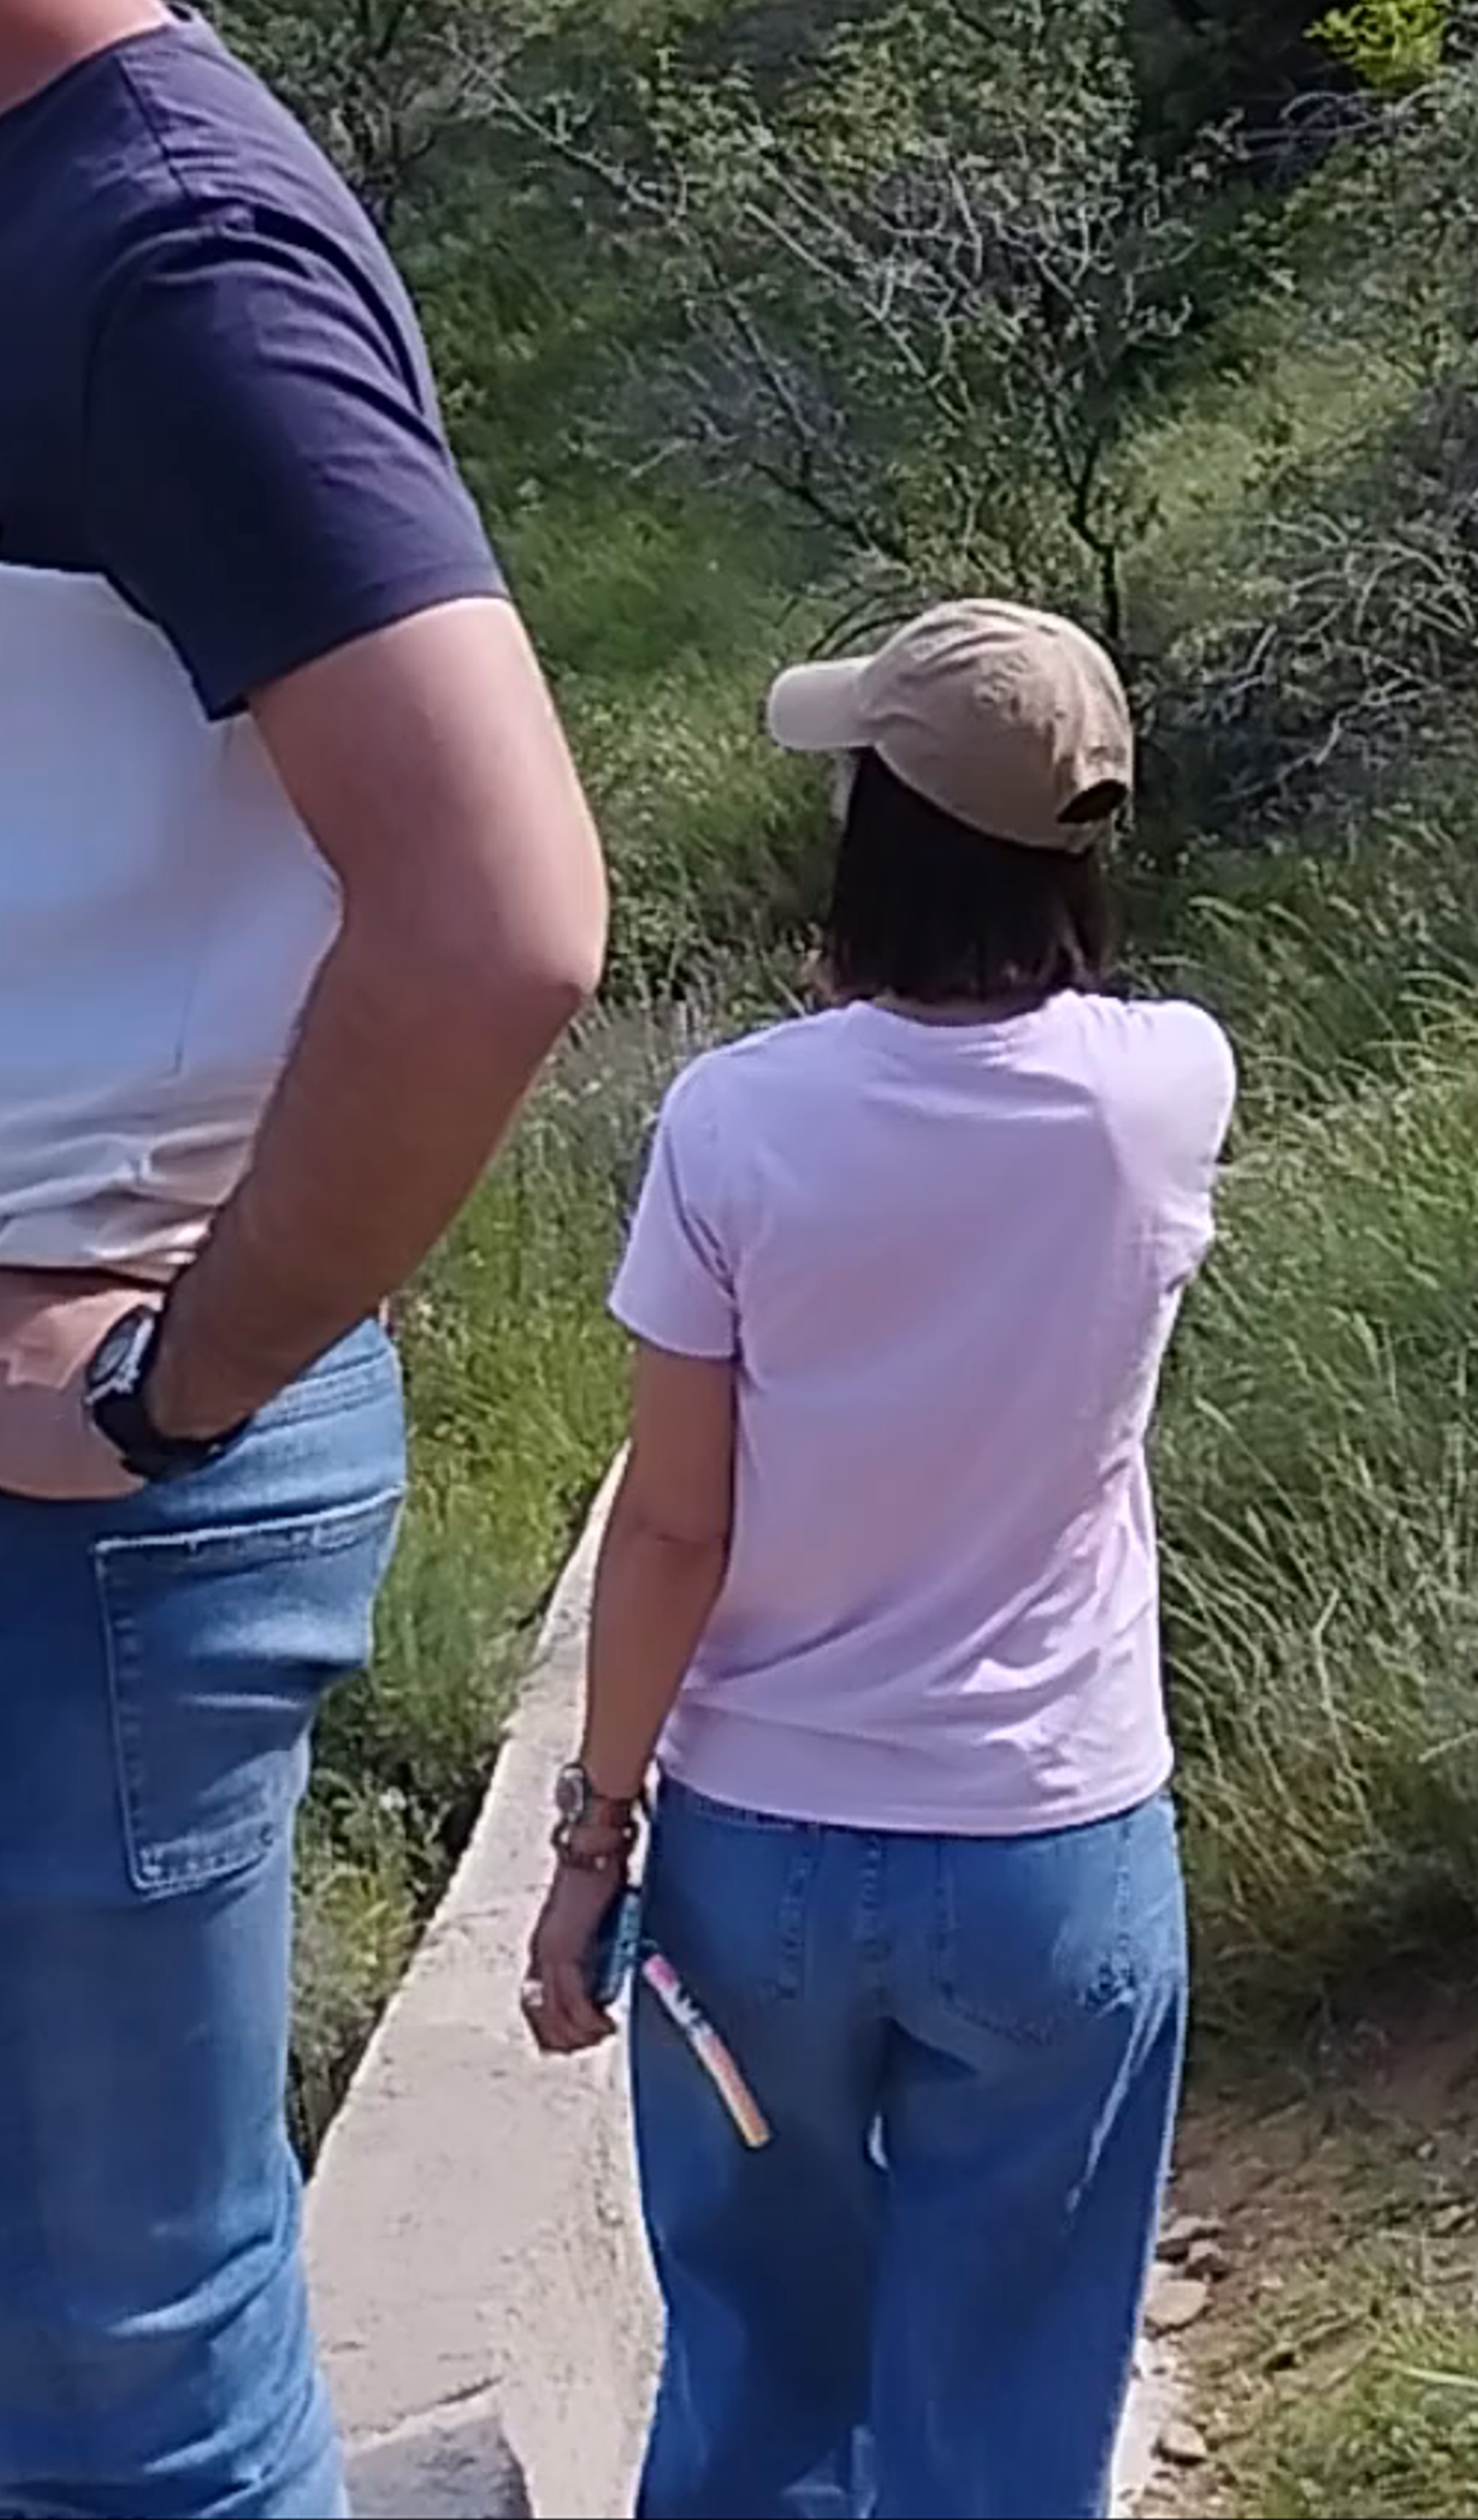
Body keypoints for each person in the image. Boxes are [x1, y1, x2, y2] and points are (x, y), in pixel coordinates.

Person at [0, 0, 611, 2520]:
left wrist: (171, 1387)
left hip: (71, 1494)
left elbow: (501, 910)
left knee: (111, 2384)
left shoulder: (167, 250)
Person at [520, 600, 1235, 2520]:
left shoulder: (735, 1120)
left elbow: (675, 1520)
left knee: (758, 2372)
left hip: (765, 1861)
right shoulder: (1169, 1087)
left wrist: (597, 1839)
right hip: (1055, 1854)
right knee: (1004, 2405)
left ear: (879, 833)